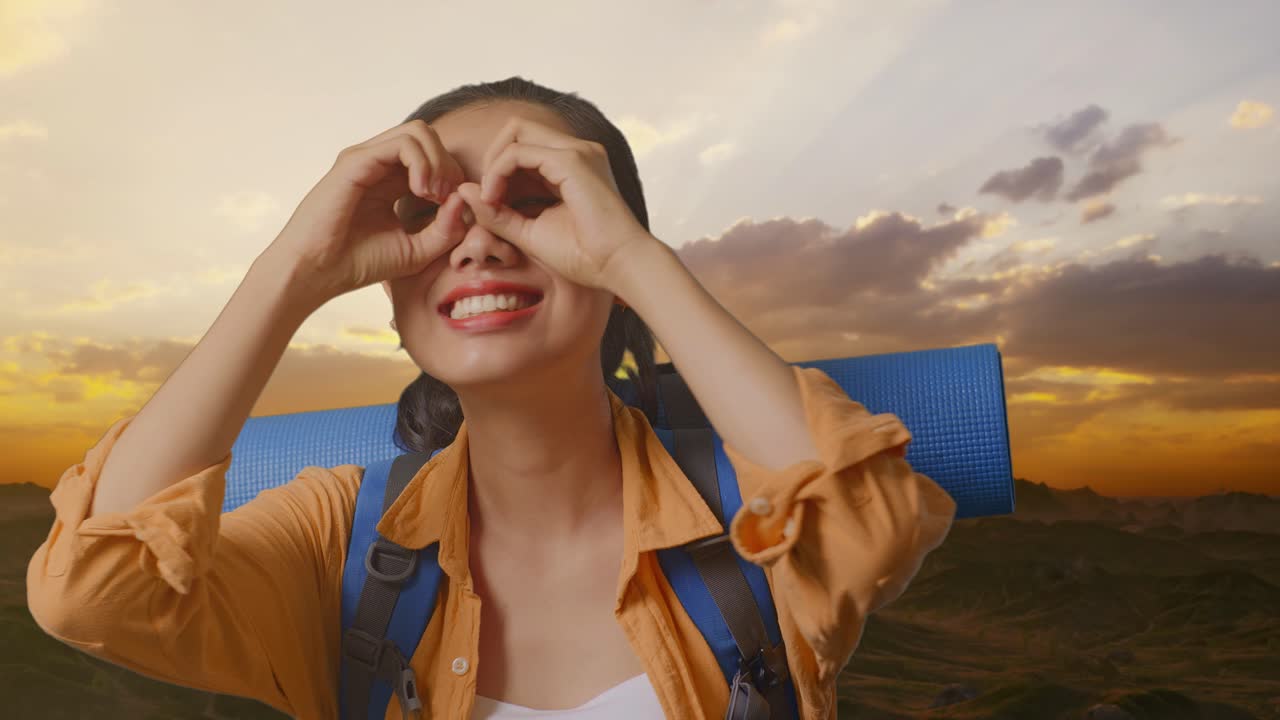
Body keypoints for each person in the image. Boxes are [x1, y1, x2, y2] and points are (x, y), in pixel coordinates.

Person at [26, 76, 958, 719]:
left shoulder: (750, 519)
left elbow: (872, 520)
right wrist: (293, 270)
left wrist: (635, 261)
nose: (475, 240)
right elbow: (93, 595)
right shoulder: (339, 540)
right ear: (393, 295)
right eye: (427, 212)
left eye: (531, 196)